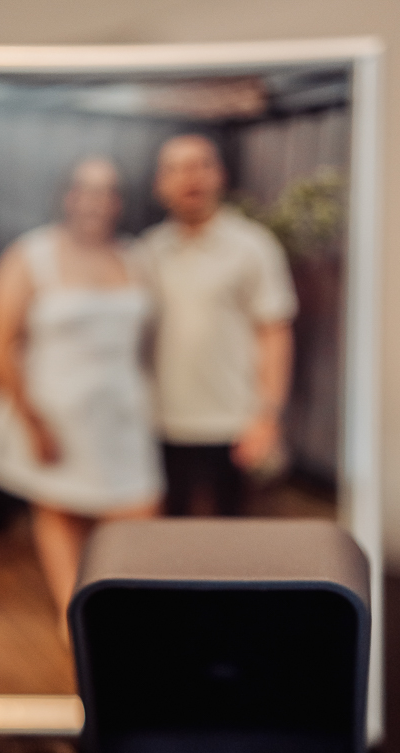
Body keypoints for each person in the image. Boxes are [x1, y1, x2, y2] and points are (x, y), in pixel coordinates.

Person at [0, 158, 163, 629]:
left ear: (118, 202)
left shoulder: (134, 258)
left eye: (108, 191)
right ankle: (72, 616)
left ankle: (124, 615)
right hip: (55, 411)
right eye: (86, 189)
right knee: (60, 508)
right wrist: (32, 421)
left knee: (138, 511)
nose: (97, 201)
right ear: (69, 196)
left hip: (122, 411)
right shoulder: (30, 256)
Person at [137, 134, 298, 516]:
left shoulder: (253, 246)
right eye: (176, 169)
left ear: (220, 175)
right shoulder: (146, 252)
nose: (190, 177)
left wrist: (266, 418)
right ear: (160, 185)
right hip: (162, 422)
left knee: (230, 533)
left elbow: (274, 332)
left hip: (232, 422)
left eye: (201, 165)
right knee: (170, 529)